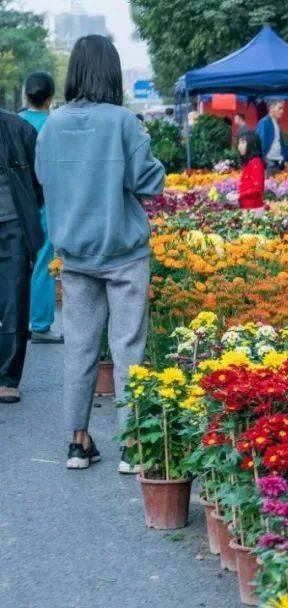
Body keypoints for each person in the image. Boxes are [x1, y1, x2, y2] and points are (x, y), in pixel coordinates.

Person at [35, 35, 165, 471]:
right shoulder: (122, 122)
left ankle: (78, 442)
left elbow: (43, 181)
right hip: (124, 252)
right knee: (128, 347)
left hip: (74, 253)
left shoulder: (52, 125)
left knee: (80, 348)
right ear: (111, 72)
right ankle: (133, 447)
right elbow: (150, 183)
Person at [0, 106, 44, 404]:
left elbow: (38, 184)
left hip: (12, 225)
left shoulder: (20, 129)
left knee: (14, 300)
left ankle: (7, 378)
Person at [18, 72, 62, 345]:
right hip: (46, 202)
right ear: (51, 97)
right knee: (44, 261)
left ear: (25, 95)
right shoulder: (56, 124)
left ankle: (11, 321)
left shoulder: (12, 122)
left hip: (13, 202)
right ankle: (40, 324)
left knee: (13, 261)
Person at [257, 98, 288, 176]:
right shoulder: (264, 122)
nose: (282, 111)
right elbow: (261, 142)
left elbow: (282, 145)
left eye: (282, 109)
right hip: (269, 163)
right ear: (271, 108)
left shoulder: (276, 124)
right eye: (280, 108)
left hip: (277, 162)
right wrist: (263, 161)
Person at [235, 132, 266, 210]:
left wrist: (239, 195)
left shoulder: (256, 162)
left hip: (253, 209)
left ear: (252, 145)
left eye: (243, 142)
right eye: (239, 143)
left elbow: (258, 189)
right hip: (246, 208)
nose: (239, 146)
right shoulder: (249, 163)